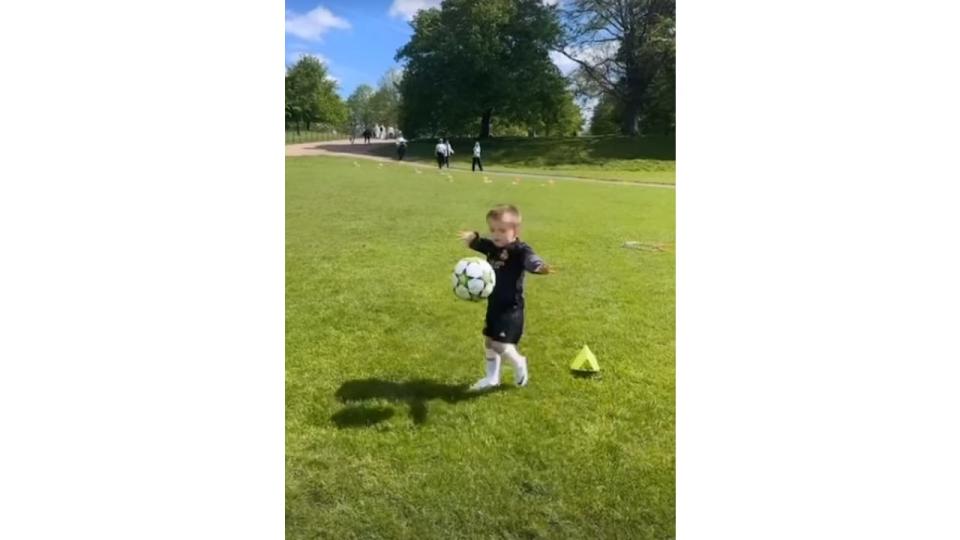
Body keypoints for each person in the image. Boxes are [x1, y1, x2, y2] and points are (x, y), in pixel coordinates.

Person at [458, 205, 551, 390]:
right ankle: (491, 378)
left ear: (515, 231)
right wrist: (472, 239)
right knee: (488, 341)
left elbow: (530, 259)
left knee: (499, 344)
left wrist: (538, 266)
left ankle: (519, 362)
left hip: (511, 308)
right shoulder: (492, 247)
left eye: (502, 230)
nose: (496, 234)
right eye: (492, 229)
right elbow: (480, 243)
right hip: (494, 305)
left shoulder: (519, 249)